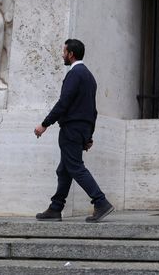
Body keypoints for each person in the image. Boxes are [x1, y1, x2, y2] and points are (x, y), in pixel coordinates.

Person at [34, 39, 114, 223]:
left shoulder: (74, 74)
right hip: (82, 129)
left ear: (71, 54)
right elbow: (92, 110)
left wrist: (44, 124)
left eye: (64, 51)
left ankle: (100, 202)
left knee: (75, 167)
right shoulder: (90, 77)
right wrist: (89, 135)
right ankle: (56, 208)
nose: (62, 54)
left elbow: (64, 103)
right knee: (64, 169)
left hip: (71, 129)